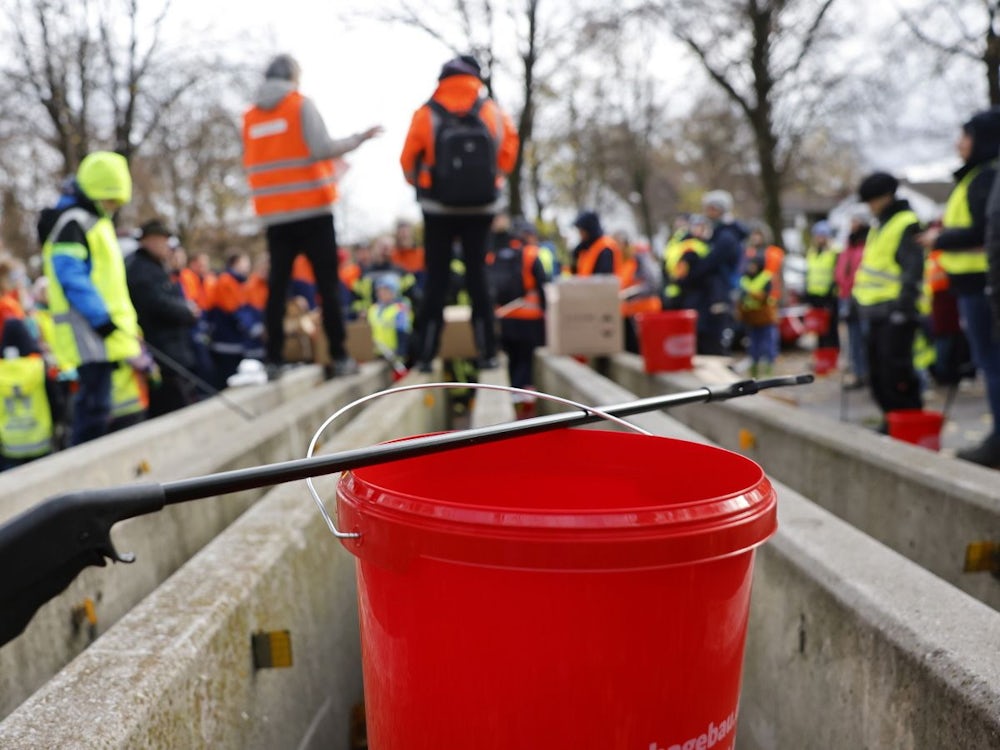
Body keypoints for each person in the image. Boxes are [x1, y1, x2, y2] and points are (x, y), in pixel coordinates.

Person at [242, 53, 382, 380]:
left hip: (275, 216)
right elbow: (322, 148)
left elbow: (252, 162)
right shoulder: (299, 104)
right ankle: (339, 355)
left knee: (277, 288)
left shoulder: (249, 117)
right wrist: (359, 138)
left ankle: (273, 359)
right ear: (293, 76)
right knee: (328, 285)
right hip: (313, 210)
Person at [400, 54, 519, 372]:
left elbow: (407, 160)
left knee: (436, 279)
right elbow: (509, 148)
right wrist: (493, 180)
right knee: (478, 277)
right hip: (481, 208)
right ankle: (488, 352)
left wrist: (424, 185)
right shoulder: (492, 111)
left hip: (437, 210)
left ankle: (425, 355)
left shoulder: (426, 113)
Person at [37, 151, 142, 446]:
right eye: (111, 201)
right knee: (93, 406)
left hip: (98, 330)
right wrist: (101, 318)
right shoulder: (75, 222)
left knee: (98, 405)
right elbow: (72, 276)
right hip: (90, 330)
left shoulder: (90, 221)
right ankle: (81, 470)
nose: (113, 208)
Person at [919, 107, 1000, 467]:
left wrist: (940, 237)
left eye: (965, 136)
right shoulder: (977, 178)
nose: (959, 144)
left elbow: (985, 233)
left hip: (981, 285)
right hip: (973, 286)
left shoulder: (985, 178)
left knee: (991, 362)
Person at [853, 172, 925, 430]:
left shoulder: (904, 222)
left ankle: (908, 423)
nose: (869, 205)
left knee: (897, 373)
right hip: (873, 311)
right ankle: (892, 420)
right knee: (878, 373)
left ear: (886, 196)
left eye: (872, 200)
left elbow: (912, 269)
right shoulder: (879, 224)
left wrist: (903, 308)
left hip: (895, 312)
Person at [125, 219, 200, 417]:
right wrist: (186, 311)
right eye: (162, 240)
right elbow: (157, 303)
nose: (166, 246)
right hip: (162, 351)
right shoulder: (140, 269)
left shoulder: (156, 266)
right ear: (148, 241)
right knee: (173, 405)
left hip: (174, 348)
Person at [488, 217, 549, 414]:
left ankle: (513, 399)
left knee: (513, 360)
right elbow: (542, 286)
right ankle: (523, 406)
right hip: (529, 320)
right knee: (525, 361)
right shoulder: (531, 254)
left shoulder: (496, 255)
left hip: (505, 318)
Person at [835, 210, 871, 389]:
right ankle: (858, 373)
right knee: (853, 337)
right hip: (847, 296)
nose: (852, 224)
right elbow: (842, 268)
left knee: (867, 336)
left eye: (855, 220)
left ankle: (870, 373)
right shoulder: (849, 243)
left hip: (864, 296)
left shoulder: (869, 243)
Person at [736, 255, 779, 377]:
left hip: (765, 317)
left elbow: (766, 296)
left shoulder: (766, 278)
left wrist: (750, 293)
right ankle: (754, 371)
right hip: (751, 317)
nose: (751, 268)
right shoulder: (744, 279)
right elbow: (740, 299)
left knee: (768, 344)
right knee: (753, 345)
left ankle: (768, 371)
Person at [804, 220, 842, 353]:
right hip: (815, 297)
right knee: (819, 330)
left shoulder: (835, 253)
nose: (820, 238)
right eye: (818, 235)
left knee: (830, 331)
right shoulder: (812, 253)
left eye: (823, 235)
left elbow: (838, 275)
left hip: (830, 297)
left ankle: (831, 358)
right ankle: (821, 359)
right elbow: (809, 275)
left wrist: (832, 293)